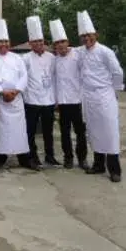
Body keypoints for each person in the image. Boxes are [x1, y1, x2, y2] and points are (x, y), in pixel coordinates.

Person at [77, 11, 124, 183]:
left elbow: (117, 72)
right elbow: (66, 52)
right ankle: (98, 165)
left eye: (89, 35)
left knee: (110, 133)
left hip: (104, 95)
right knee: (94, 132)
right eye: (83, 36)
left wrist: (115, 90)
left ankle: (115, 169)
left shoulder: (105, 52)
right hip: (88, 97)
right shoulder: (80, 52)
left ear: (95, 35)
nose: (86, 39)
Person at [0, 19, 39, 171]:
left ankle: (24, 159)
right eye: (0, 41)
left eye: (5, 41)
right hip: (1, 101)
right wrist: (2, 92)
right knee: (1, 132)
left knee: (20, 131)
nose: (3, 44)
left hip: (16, 100)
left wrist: (15, 91)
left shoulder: (17, 58)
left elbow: (24, 76)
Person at [50, 19, 89, 170]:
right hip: (63, 102)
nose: (60, 45)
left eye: (63, 41)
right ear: (55, 46)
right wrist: (56, 101)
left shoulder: (78, 54)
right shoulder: (55, 60)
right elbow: (54, 81)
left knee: (80, 132)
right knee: (64, 133)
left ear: (68, 42)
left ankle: (82, 159)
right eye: (57, 43)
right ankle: (68, 158)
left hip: (79, 101)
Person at [22, 16, 60, 167]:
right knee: (30, 131)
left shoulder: (52, 57)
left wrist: (56, 98)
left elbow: (55, 77)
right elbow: (22, 79)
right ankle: (33, 156)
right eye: (35, 41)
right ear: (30, 43)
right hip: (31, 100)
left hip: (48, 100)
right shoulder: (25, 58)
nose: (39, 44)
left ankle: (50, 155)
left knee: (48, 131)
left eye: (41, 41)